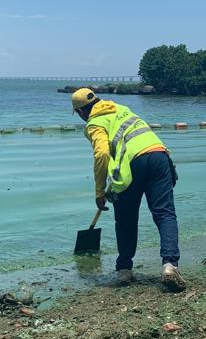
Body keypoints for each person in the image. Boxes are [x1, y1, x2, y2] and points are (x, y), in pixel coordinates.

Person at [72, 89, 185, 291]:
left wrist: (99, 192)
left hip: (133, 164)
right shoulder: (120, 108)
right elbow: (129, 141)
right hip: (159, 155)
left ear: (81, 113)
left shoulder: (94, 123)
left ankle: (124, 269)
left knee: (125, 218)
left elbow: (102, 154)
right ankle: (169, 265)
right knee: (165, 214)